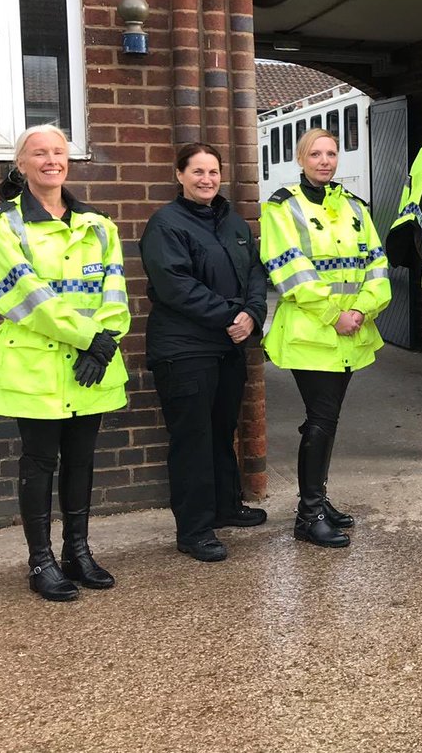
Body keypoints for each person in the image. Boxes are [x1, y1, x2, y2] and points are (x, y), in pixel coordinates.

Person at [0, 125, 130, 601]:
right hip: (35, 366)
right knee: (40, 462)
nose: (51, 160)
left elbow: (115, 290)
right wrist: (91, 339)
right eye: (39, 153)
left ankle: (77, 552)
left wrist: (106, 341)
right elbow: (26, 296)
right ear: (21, 165)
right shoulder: (3, 226)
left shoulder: (100, 225)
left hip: (92, 363)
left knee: (81, 459)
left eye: (58, 152)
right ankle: (41, 560)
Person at [259, 128, 391, 549]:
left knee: (326, 420)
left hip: (350, 331)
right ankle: (308, 514)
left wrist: (362, 309)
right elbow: (289, 271)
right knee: (320, 420)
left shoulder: (354, 206)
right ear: (301, 159)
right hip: (311, 334)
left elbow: (377, 263)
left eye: (331, 153)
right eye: (315, 153)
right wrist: (336, 314)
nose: (324, 161)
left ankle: (318, 499)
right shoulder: (282, 207)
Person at [140, 143, 269, 563]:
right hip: (184, 349)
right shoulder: (166, 224)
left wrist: (252, 312)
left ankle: (226, 506)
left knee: (221, 429)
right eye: (197, 171)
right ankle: (194, 529)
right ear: (179, 175)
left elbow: (254, 271)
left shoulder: (232, 221)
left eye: (213, 171)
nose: (206, 179)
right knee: (192, 438)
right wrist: (233, 316)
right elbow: (175, 285)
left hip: (227, 346)